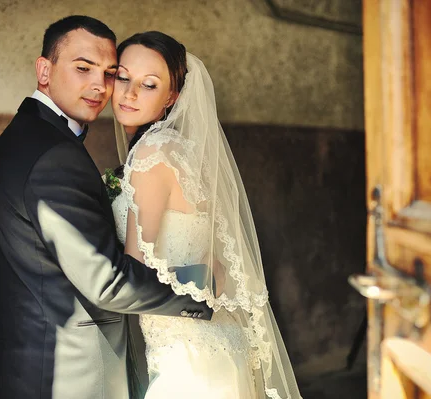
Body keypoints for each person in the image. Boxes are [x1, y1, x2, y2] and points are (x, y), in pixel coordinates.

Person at [0, 17, 211, 399]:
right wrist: (201, 297)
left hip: (30, 358)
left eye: (108, 73)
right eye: (83, 68)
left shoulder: (28, 137)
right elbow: (106, 281)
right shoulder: (52, 153)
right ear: (44, 70)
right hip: (66, 370)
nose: (100, 86)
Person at [110, 31, 302, 399]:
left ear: (172, 97)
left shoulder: (151, 152)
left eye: (148, 85)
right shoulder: (183, 151)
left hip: (185, 357)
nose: (130, 93)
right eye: (123, 77)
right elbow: (215, 264)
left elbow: (133, 267)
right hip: (217, 343)